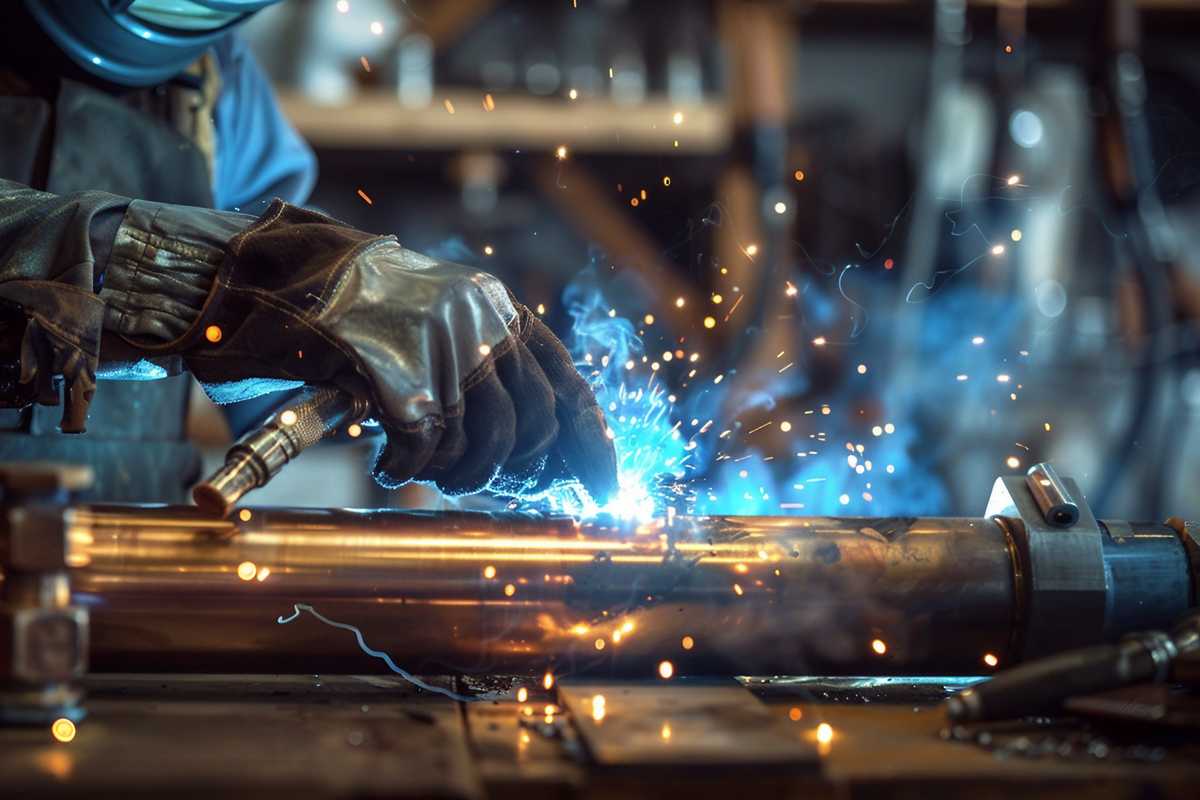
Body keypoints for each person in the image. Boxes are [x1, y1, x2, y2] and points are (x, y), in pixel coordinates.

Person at [0, 0, 617, 505]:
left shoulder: (215, 82)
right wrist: (245, 276)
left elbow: (285, 384)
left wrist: (401, 383)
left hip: (127, 588)